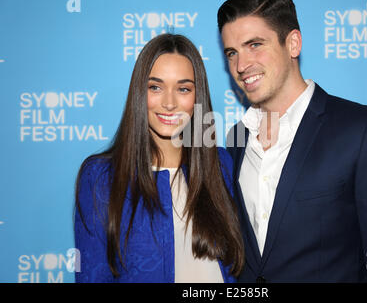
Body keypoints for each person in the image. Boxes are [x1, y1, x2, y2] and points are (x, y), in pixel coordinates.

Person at [218, 0, 367, 282]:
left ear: (293, 43)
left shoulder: (366, 130)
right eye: (232, 53)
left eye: (255, 45)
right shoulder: (235, 140)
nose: (240, 65)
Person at [74, 34, 244, 282]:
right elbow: (92, 275)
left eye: (183, 89)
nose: (169, 103)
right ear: (139, 93)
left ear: (197, 97)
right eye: (155, 87)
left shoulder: (220, 165)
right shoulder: (101, 176)